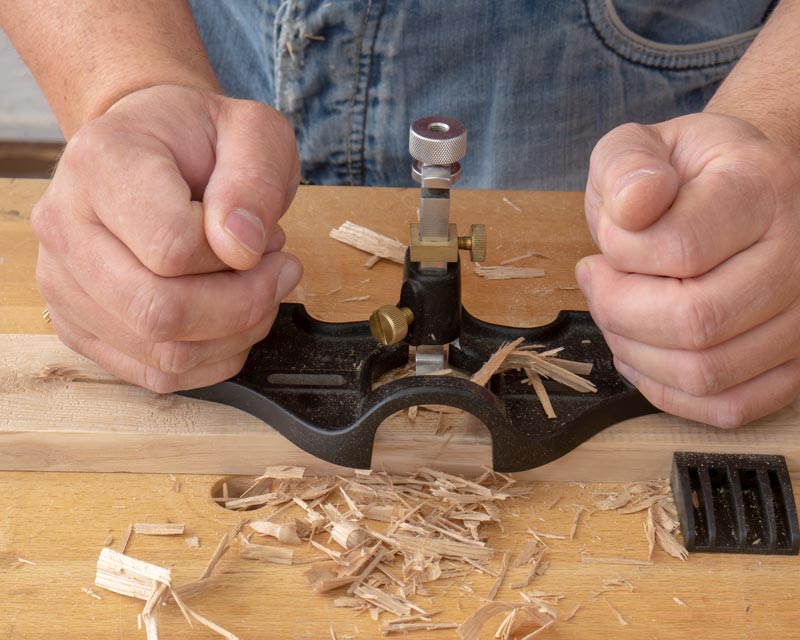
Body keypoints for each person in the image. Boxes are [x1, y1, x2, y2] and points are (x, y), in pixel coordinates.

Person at [1, 1, 798, 429]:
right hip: (213, 85)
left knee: (678, 250)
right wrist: (125, 86)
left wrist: (776, 127)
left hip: (665, 125)